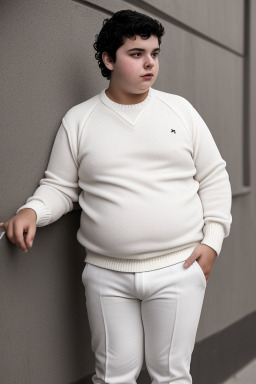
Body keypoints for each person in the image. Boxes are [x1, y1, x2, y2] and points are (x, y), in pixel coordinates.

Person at [0, 9, 232, 384]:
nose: (149, 64)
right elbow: (60, 186)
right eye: (136, 53)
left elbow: (214, 176)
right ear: (109, 59)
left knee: (172, 375)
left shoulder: (181, 111)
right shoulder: (80, 120)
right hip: (107, 275)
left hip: (178, 268)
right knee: (112, 377)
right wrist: (31, 211)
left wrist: (213, 240)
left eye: (154, 53)